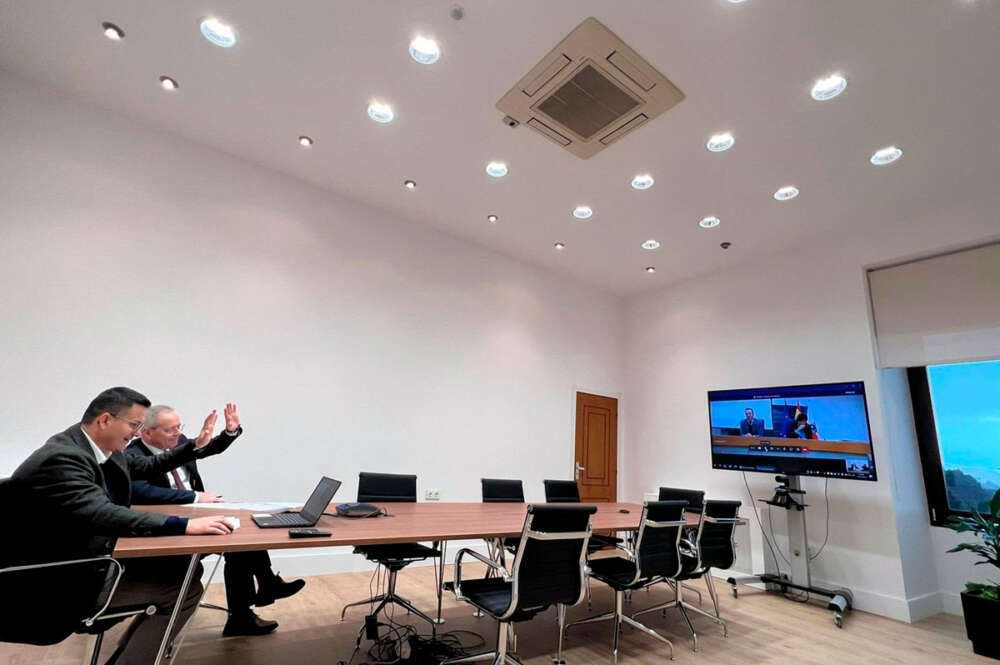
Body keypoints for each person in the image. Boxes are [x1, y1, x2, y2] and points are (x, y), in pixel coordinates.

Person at [6, 387, 237, 665]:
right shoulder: (63, 458)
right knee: (183, 589)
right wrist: (185, 525)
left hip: (83, 560)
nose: (138, 432)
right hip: (54, 582)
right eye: (134, 425)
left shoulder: (90, 446)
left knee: (181, 570)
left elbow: (148, 465)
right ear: (105, 419)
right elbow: (104, 514)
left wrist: (193, 445)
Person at [127, 404, 305, 636]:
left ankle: (247, 610)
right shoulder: (131, 456)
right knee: (236, 540)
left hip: (195, 518)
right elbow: (141, 492)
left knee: (242, 536)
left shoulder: (179, 444)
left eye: (179, 427)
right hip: (165, 530)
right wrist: (195, 496)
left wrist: (230, 431)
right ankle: (260, 594)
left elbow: (210, 447)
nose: (178, 434)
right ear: (146, 432)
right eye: (170, 430)